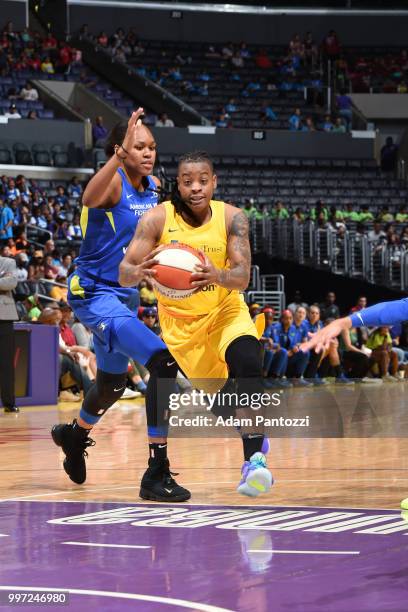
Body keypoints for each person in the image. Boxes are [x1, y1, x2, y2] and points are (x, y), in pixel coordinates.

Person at [51, 108, 190, 503]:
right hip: (94, 293)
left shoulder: (153, 187)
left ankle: (73, 437)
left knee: (111, 384)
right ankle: (155, 472)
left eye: (152, 147)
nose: (148, 153)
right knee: (163, 362)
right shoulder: (111, 184)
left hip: (124, 294)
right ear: (121, 149)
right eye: (138, 146)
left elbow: (149, 241)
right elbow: (87, 196)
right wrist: (115, 154)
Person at [119, 150, 273, 498]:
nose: (196, 187)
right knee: (223, 405)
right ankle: (254, 435)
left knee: (249, 362)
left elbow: (242, 278)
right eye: (188, 181)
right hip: (183, 328)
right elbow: (124, 273)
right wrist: (140, 271)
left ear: (214, 182)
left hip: (225, 313)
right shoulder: (157, 219)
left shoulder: (233, 218)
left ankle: (254, 464)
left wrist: (216, 274)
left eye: (203, 180)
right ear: (179, 184)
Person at [0, 255, 19, 412]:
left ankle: (9, 402)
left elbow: (11, 283)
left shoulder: (8, 262)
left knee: (6, 363)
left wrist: (5, 280)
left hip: (4, 318)